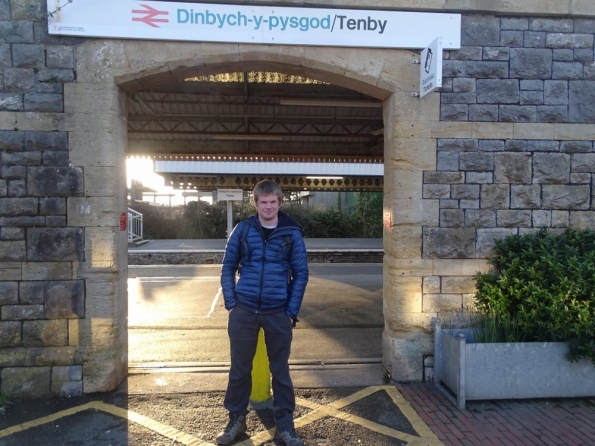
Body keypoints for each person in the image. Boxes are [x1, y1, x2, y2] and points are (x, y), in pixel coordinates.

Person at [217, 180, 309, 446]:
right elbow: (227, 267)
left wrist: (291, 311)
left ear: (280, 203)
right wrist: (231, 304)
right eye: (263, 202)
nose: (268, 207)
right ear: (255, 203)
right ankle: (236, 420)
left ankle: (285, 427)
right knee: (239, 370)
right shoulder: (243, 230)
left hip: (278, 311)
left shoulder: (292, 234)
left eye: (273, 202)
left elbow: (301, 273)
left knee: (280, 371)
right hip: (243, 310)